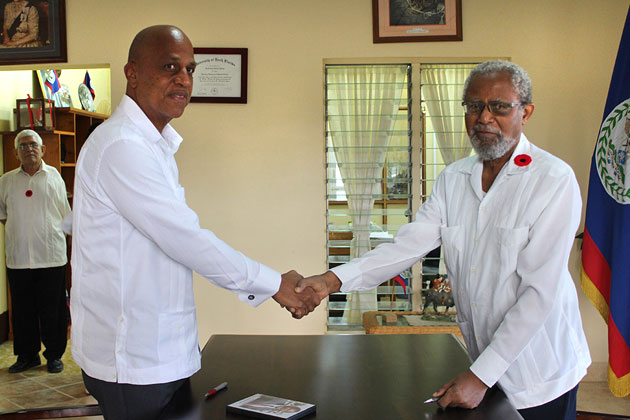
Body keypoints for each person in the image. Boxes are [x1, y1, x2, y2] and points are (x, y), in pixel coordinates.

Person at [296, 60, 591, 420]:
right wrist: (331, 280)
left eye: (499, 106)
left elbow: (538, 293)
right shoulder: (454, 178)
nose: (483, 117)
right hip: (481, 360)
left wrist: (480, 377)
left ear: (525, 112)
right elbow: (407, 245)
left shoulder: (553, 180)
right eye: (473, 106)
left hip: (540, 372)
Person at [70, 25, 319, 420]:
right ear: (132, 73)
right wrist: (275, 285)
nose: (184, 79)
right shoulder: (122, 146)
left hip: (160, 352)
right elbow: (186, 239)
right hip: (134, 359)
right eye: (170, 67)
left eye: (190, 69)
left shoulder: (155, 146)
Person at [0, 129, 71, 374]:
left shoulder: (55, 177)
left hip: (51, 256)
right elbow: (3, 216)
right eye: (23, 145)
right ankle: (27, 356)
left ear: (43, 150)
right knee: (22, 310)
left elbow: (65, 214)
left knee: (53, 310)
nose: (28, 149)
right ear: (15, 151)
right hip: (18, 258)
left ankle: (54, 355)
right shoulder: (6, 181)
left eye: (33, 145)